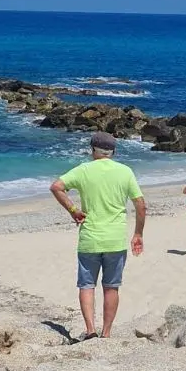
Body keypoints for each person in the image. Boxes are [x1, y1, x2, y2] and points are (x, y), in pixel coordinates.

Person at [50, 132, 145, 341]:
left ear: (93, 150)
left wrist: (73, 210)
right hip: (115, 239)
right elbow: (140, 204)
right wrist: (138, 233)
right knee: (111, 287)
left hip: (90, 239)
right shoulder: (125, 172)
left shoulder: (84, 170)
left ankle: (91, 330)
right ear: (113, 152)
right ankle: (107, 333)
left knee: (87, 286)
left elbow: (56, 187)